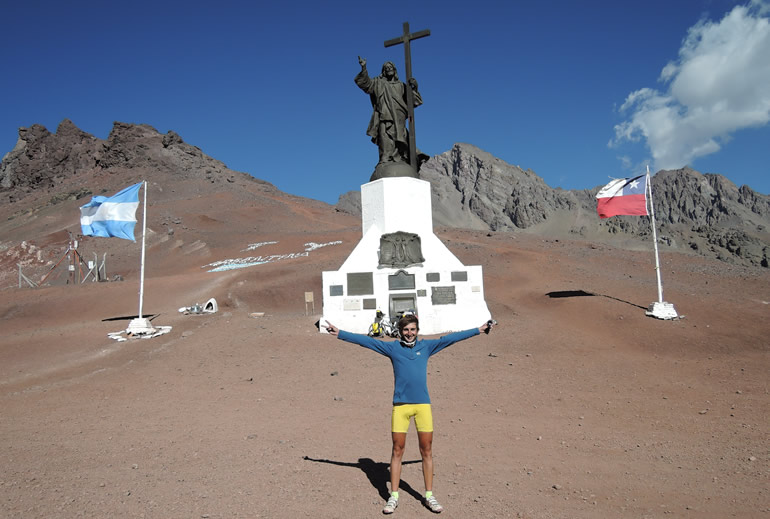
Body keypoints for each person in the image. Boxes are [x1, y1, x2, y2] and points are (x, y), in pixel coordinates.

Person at [324, 315, 495, 514]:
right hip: (401, 407)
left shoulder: (427, 347)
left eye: (413, 329)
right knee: (397, 450)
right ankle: (393, 496)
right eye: (406, 330)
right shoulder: (393, 348)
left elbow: (450, 339)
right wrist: (340, 334)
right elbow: (368, 342)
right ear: (400, 331)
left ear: (417, 330)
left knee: (426, 450)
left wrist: (479, 329)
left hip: (422, 406)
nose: (409, 333)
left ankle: (429, 495)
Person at [355, 56, 422, 165]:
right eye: (386, 67)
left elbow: (413, 101)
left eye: (391, 67)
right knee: (384, 135)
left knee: (399, 138)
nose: (389, 69)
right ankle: (385, 158)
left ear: (394, 70)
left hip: (399, 116)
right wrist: (364, 68)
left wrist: (414, 87)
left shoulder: (401, 85)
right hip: (384, 115)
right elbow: (366, 84)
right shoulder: (379, 83)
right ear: (384, 71)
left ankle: (400, 159)